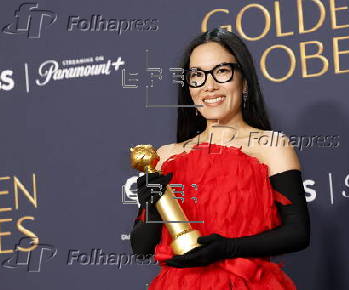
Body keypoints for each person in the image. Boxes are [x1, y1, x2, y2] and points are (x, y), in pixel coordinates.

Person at [130, 28, 310, 289]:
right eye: (197, 76)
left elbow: (298, 233)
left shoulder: (271, 145)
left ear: (244, 81)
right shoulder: (166, 155)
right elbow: (142, 247)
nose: (209, 86)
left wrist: (227, 248)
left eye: (221, 71)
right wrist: (150, 207)